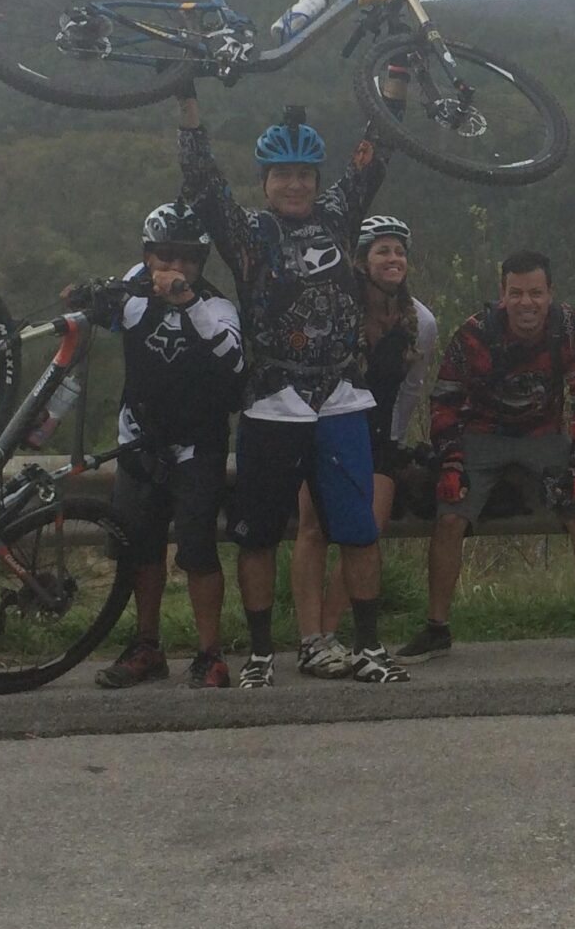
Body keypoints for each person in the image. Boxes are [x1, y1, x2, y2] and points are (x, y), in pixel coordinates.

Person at [174, 95, 404, 687]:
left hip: (341, 397)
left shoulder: (337, 215)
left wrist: (393, 84)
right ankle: (259, 656)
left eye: (305, 174)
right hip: (273, 397)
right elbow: (205, 184)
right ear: (266, 181)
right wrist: (189, 111)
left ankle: (370, 648)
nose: (295, 185)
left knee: (356, 528)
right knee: (258, 535)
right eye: (284, 175)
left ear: (317, 180)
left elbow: (372, 159)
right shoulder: (249, 232)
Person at [402, 251, 575, 668]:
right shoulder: (475, 334)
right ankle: (436, 628)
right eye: (516, 293)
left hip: (544, 434)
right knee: (449, 518)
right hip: (483, 433)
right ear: (502, 294)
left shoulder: (573, 328)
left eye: (536, 293)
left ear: (550, 294)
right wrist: (450, 461)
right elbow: (445, 399)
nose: (526, 303)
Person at [84, 205, 246, 689]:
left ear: (202, 260)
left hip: (198, 445)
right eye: (163, 256)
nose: (173, 266)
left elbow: (234, 364)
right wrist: (84, 296)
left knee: (197, 551)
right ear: (148, 255)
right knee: (140, 549)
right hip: (139, 439)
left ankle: (209, 654)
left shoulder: (216, 307)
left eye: (187, 258)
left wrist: (187, 301)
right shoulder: (135, 292)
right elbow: (96, 311)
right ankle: (147, 648)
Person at [290, 215, 438, 670]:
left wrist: (395, 439)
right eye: (382, 251)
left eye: (399, 251)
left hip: (377, 437)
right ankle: (310, 638)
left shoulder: (420, 321)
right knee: (313, 528)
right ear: (359, 261)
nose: (393, 259)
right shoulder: (337, 313)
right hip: (325, 426)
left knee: (363, 535)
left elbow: (412, 387)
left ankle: (332, 633)